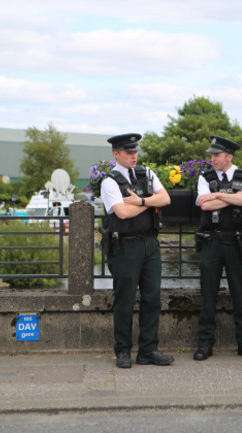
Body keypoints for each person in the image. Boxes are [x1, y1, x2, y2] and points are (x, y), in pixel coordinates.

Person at [100, 133, 175, 369]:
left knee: (152, 298)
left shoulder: (147, 173)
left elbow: (165, 199)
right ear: (116, 154)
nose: (134, 156)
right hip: (125, 246)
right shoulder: (109, 181)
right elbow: (121, 213)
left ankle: (148, 350)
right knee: (125, 300)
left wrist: (140, 201)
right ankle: (122, 351)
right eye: (128, 152)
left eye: (135, 151)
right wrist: (149, 202)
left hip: (150, 243)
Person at [193, 135, 242, 362]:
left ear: (229, 157)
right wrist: (234, 196)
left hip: (237, 242)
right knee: (208, 294)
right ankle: (204, 344)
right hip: (211, 242)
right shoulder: (205, 176)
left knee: (241, 295)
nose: (212, 158)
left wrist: (219, 195)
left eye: (216, 155)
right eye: (212, 155)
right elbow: (204, 203)